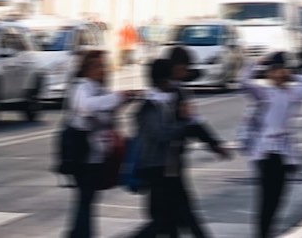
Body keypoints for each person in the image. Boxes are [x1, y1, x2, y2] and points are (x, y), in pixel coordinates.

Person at [240, 52, 302, 238]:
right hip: (265, 152)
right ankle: (262, 233)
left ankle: (268, 231)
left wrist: (293, 76)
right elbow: (243, 82)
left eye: (281, 70)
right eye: (274, 71)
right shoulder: (264, 93)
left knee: (279, 198)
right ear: (269, 73)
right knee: (266, 198)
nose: (278, 74)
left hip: (285, 153)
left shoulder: (292, 93)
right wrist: (256, 62)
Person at [66, 49, 134, 238]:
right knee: (85, 199)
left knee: (86, 200)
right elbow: (87, 107)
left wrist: (121, 101)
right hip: (83, 155)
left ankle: (78, 234)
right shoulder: (82, 88)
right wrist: (117, 98)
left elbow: (105, 115)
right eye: (98, 66)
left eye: (104, 66)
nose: (102, 70)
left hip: (97, 155)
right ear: (87, 69)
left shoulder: (99, 89)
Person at [165, 46, 231, 238]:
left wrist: (214, 143)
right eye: (185, 68)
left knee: (172, 214)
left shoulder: (169, 91)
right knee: (178, 211)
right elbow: (193, 124)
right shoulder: (175, 93)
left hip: (168, 160)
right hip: (169, 161)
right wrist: (215, 144)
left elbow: (193, 123)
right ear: (177, 68)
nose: (186, 73)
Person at [131, 57, 190, 238]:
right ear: (164, 80)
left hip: (166, 166)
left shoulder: (163, 101)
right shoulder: (150, 105)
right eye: (171, 78)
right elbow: (160, 134)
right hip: (155, 167)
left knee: (170, 219)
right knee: (161, 220)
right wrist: (185, 126)